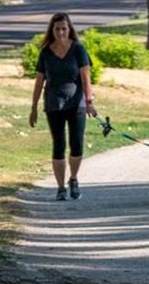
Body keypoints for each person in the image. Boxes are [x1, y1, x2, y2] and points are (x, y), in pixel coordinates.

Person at [29, 12, 98, 201]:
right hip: (54, 104)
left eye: (64, 29)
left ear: (70, 30)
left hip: (77, 104)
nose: (61, 32)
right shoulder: (46, 52)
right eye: (57, 28)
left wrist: (89, 101)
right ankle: (60, 187)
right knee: (58, 145)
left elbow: (86, 77)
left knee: (76, 145)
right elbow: (39, 81)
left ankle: (73, 179)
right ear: (52, 30)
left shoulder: (78, 49)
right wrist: (34, 107)